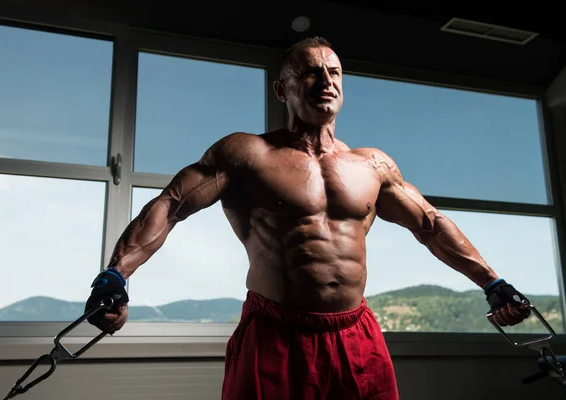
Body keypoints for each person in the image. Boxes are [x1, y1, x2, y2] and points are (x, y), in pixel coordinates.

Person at [84, 37, 531, 399]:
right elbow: (171, 204)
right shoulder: (247, 154)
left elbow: (429, 226)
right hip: (275, 336)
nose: (325, 80)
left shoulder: (372, 165)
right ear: (283, 89)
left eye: (334, 72)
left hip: (356, 335)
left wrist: (492, 283)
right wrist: (115, 275)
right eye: (310, 72)